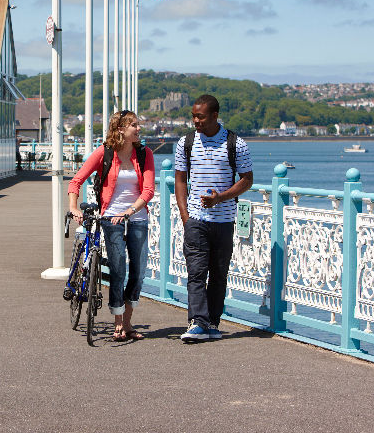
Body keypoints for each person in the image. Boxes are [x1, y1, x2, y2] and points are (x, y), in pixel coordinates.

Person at [68, 110, 155, 341]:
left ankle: (128, 323)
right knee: (118, 269)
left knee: (138, 271)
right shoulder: (104, 152)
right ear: (120, 130)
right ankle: (118, 322)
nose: (139, 128)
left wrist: (130, 210)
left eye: (138, 124)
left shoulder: (145, 154)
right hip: (111, 218)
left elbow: (148, 190)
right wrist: (73, 207)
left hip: (137, 217)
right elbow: (77, 180)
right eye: (134, 125)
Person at [174, 95, 253, 342]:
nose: (196, 121)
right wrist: (186, 216)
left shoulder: (235, 144)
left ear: (215, 116)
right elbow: (179, 180)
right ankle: (197, 321)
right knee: (196, 272)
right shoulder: (185, 143)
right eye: (193, 116)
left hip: (224, 220)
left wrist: (221, 198)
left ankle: (212, 324)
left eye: (201, 116)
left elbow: (247, 179)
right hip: (196, 220)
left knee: (219, 274)